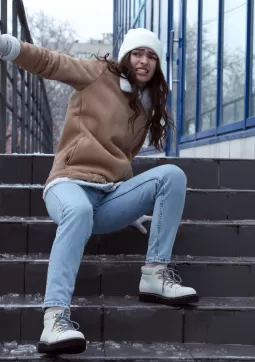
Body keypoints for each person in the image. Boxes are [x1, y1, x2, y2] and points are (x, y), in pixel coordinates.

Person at [0, 28, 198, 355]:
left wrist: (130, 205)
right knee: (78, 211)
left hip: (107, 197)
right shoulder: (97, 75)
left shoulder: (145, 106)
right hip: (68, 185)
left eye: (151, 57)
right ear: (126, 55)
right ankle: (55, 319)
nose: (144, 61)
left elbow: (122, 159)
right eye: (138, 53)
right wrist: (10, 47)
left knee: (172, 176)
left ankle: (155, 274)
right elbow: (50, 62)